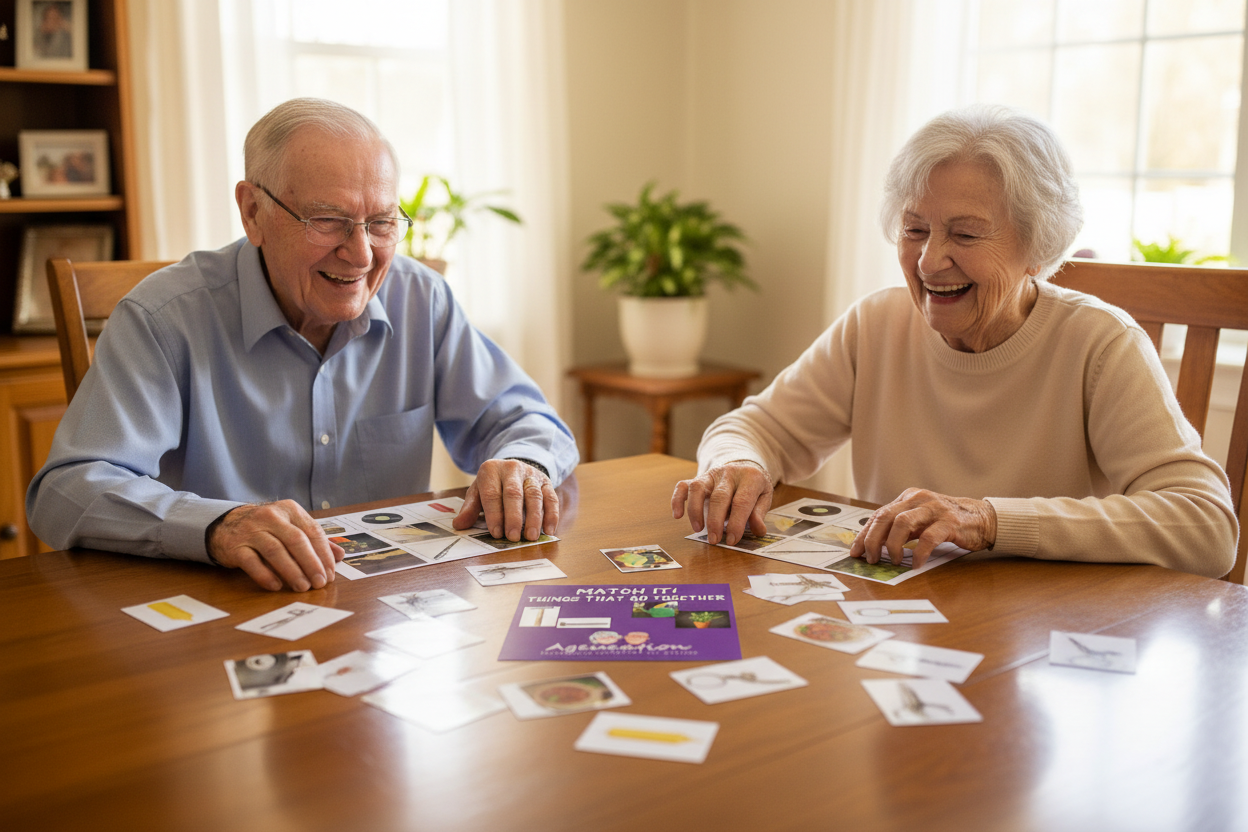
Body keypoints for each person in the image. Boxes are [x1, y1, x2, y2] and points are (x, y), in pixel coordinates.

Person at [27, 98, 579, 592]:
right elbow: (66, 490)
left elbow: (529, 421)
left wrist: (520, 463)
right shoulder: (164, 318)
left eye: (381, 222)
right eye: (329, 221)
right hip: (223, 614)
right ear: (252, 213)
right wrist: (218, 526)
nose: (361, 255)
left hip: (380, 615)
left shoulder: (422, 298)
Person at [672, 105, 1237, 579]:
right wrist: (736, 463)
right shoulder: (877, 324)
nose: (927, 260)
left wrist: (987, 520)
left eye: (964, 234)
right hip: (902, 616)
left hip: (1046, 634)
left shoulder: (1100, 344)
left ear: (1040, 248)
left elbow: (1206, 527)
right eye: (914, 228)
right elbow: (756, 428)